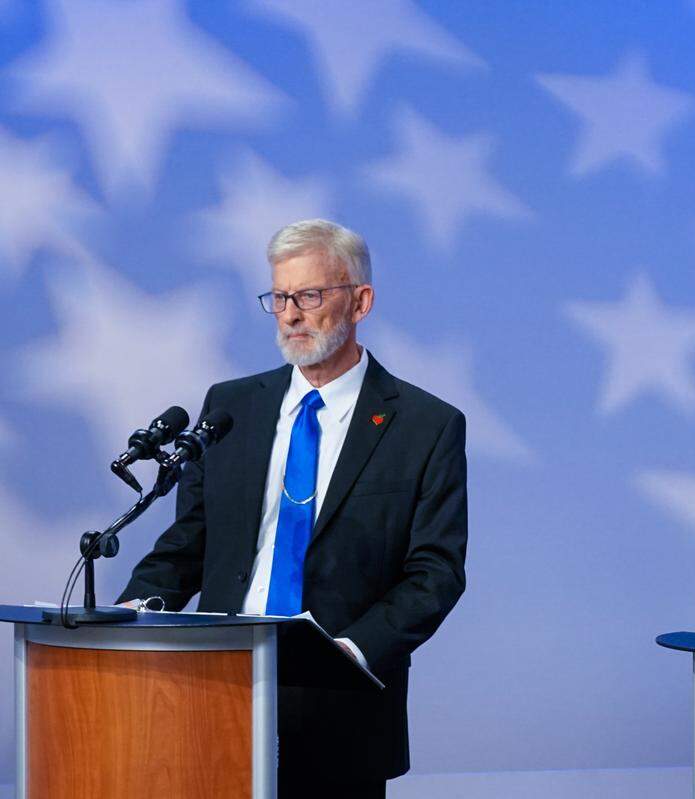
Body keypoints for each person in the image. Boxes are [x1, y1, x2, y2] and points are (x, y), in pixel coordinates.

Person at [118, 219, 467, 798]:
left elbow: (435, 574)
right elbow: (190, 541)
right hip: (216, 689)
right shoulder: (231, 407)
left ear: (361, 301)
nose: (290, 314)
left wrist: (348, 654)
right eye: (279, 297)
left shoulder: (425, 426)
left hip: (341, 705)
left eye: (309, 295)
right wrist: (134, 611)